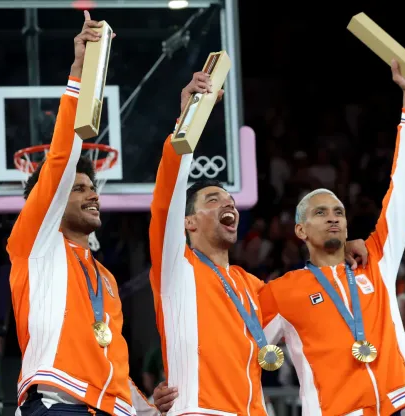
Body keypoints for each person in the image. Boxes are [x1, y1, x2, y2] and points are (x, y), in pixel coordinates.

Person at [147, 73, 368, 414]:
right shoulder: (177, 270)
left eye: (230, 199)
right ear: (188, 222)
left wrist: (340, 249)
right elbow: (166, 199)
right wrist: (187, 120)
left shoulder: (253, 288)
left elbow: (312, 295)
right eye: (213, 200)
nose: (228, 203)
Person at [257, 49, 405, 415]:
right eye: (321, 213)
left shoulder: (374, 261)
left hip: (394, 407)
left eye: (338, 212)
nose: (333, 218)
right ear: (300, 230)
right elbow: (238, 347)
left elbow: (402, 191)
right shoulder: (280, 292)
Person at [7, 11, 156, 416]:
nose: (93, 196)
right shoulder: (36, 245)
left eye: (93, 188)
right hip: (58, 402)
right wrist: (79, 74)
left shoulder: (105, 278)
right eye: (79, 189)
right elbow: (60, 160)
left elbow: (112, 358)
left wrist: (146, 407)